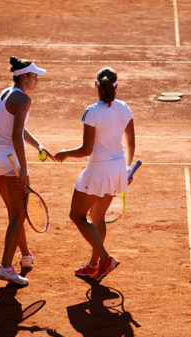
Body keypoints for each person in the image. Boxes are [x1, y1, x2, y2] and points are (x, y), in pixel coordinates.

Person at [54, 67, 136, 282]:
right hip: (117, 170)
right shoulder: (125, 109)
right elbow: (130, 143)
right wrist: (126, 169)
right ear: (116, 86)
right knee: (97, 218)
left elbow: (86, 150)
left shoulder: (91, 112)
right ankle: (93, 266)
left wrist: (65, 154)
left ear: (96, 86)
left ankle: (105, 259)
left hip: (98, 172)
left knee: (77, 216)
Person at [0, 56, 53, 286]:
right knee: (17, 215)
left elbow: (19, 129)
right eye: (35, 77)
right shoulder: (23, 99)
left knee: (15, 213)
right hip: (10, 161)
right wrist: (23, 169)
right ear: (24, 77)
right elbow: (15, 136)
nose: (37, 81)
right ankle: (5, 267)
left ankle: (25, 256)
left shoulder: (6, 93)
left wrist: (38, 145)